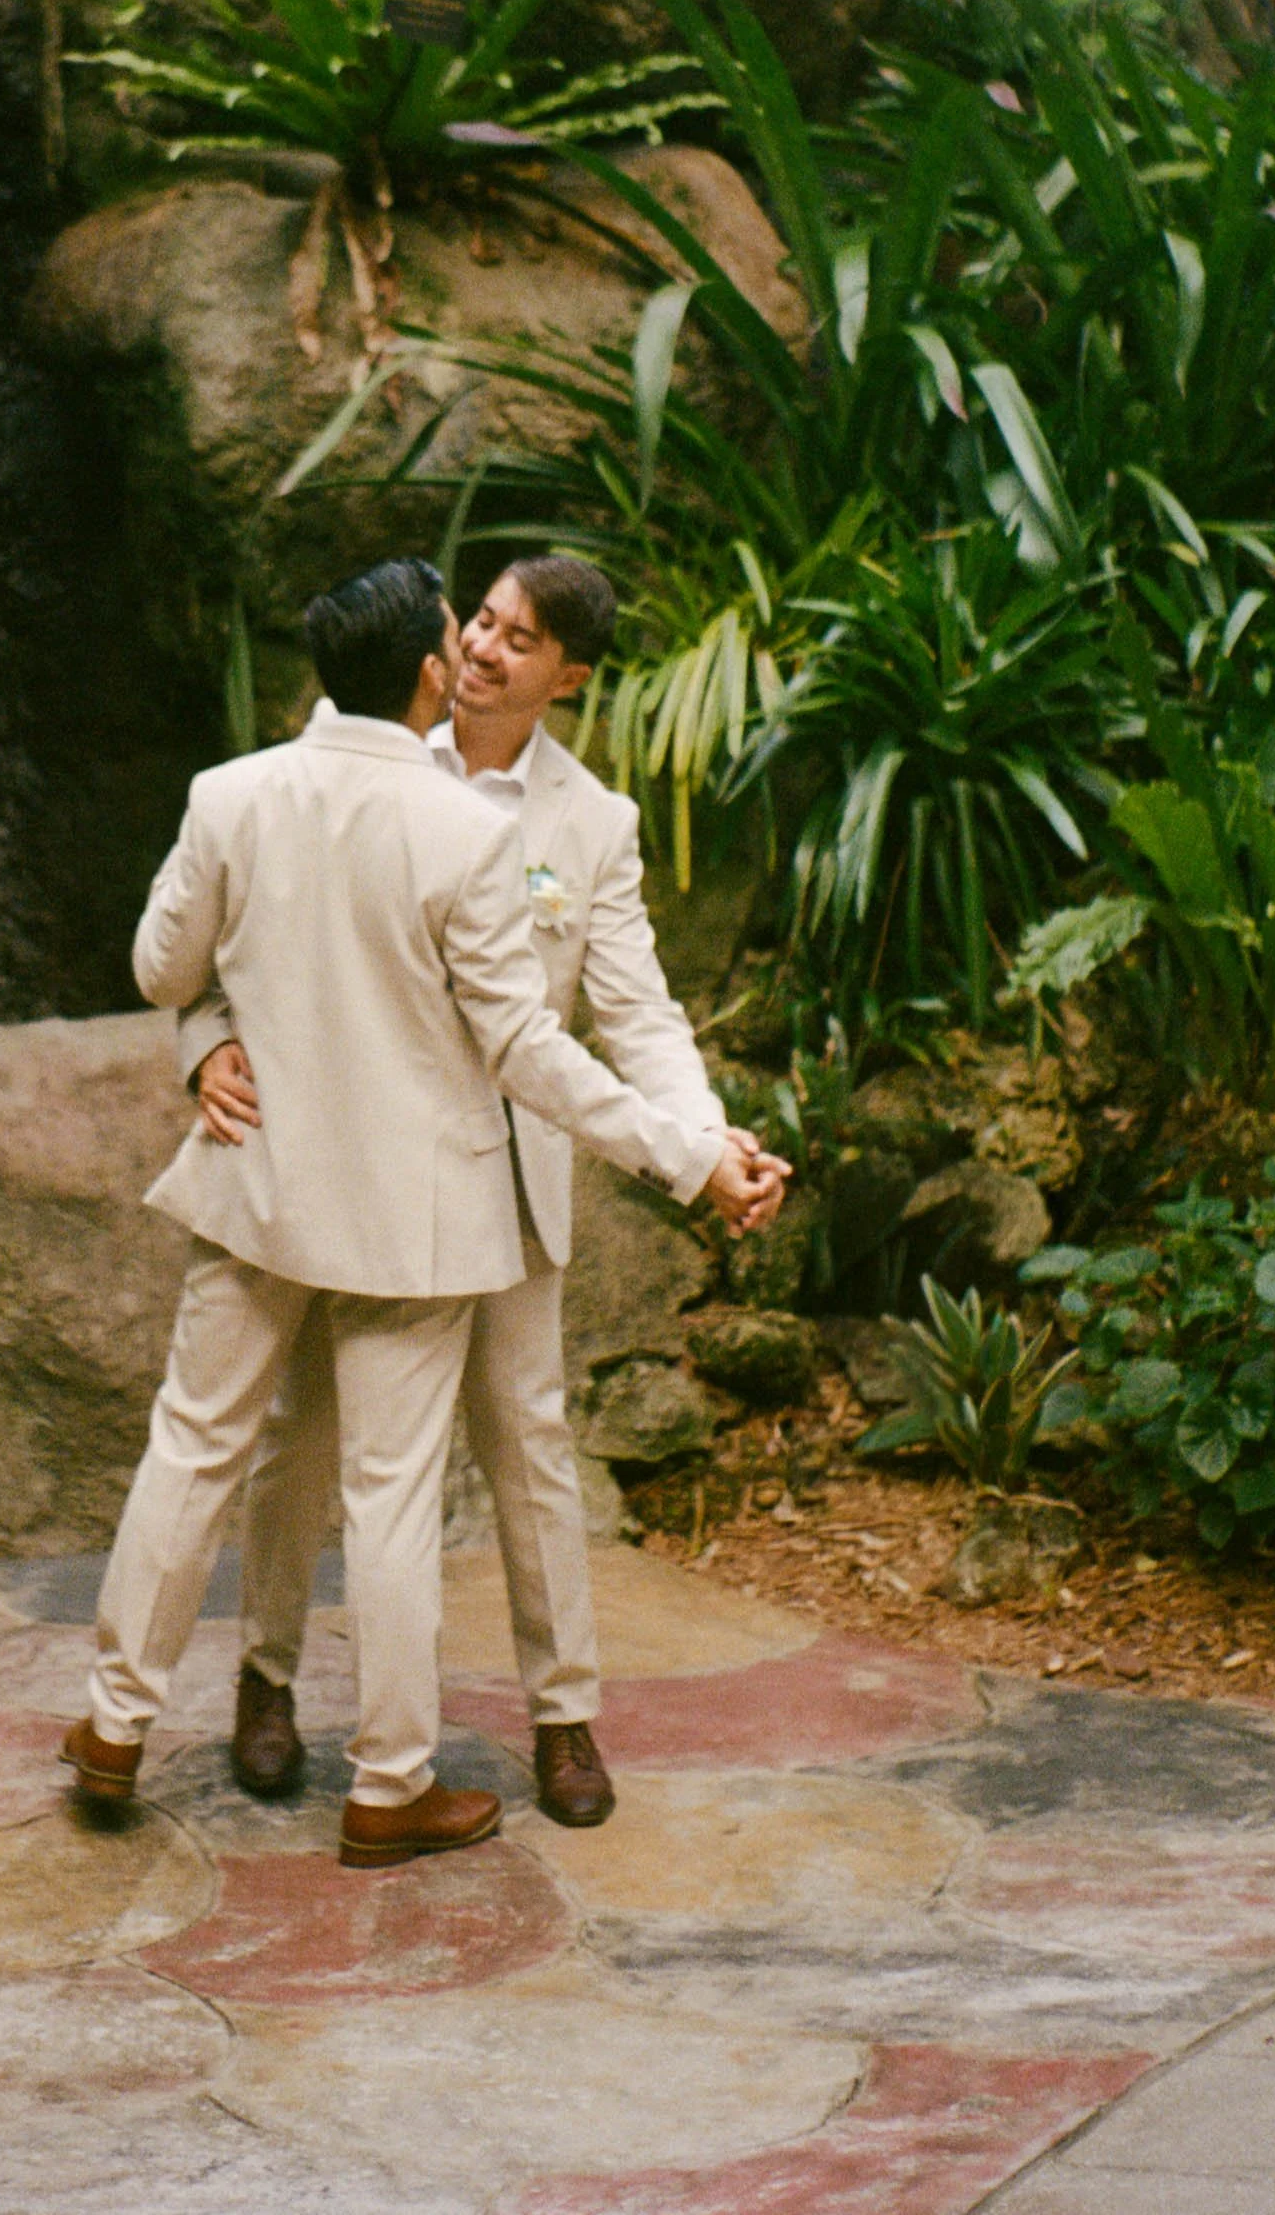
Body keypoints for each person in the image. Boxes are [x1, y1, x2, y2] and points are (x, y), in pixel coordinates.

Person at [62, 557, 782, 1872]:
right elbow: (258, 978)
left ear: (568, 672)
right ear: (429, 665)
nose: (488, 649)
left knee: (454, 1449)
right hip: (384, 1197)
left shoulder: (545, 818)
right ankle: (346, 1752)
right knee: (356, 1483)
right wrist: (201, 1045)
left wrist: (699, 1133)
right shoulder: (420, 817)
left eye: (519, 635)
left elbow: (627, 1013)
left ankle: (123, 1722)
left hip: (399, 1191)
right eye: (475, 627)